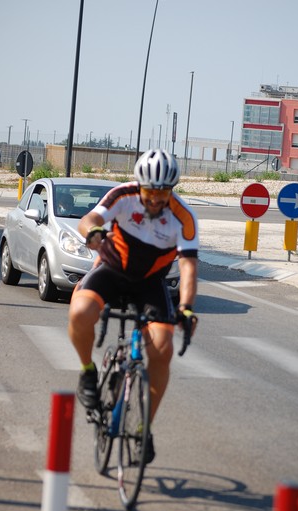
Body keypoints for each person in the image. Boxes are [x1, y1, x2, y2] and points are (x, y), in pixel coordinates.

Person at [68, 149, 199, 463]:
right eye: (150, 191)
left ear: (172, 190)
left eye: (163, 192)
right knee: (80, 312)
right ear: (140, 185)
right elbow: (90, 219)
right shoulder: (123, 196)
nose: (155, 199)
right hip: (112, 270)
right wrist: (95, 232)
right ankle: (87, 371)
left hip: (149, 283)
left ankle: (143, 427)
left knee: (163, 347)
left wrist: (186, 307)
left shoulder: (182, 216)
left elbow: (188, 269)